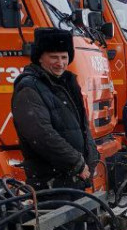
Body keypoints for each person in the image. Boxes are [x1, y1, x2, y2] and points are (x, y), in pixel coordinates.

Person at [11, 27, 100, 190]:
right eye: (54, 57)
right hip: (51, 182)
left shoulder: (67, 84)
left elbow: (82, 127)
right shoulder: (29, 89)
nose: (60, 63)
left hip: (74, 179)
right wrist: (76, 162)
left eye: (64, 57)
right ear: (40, 58)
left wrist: (91, 158)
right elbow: (42, 135)